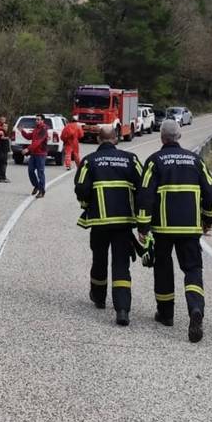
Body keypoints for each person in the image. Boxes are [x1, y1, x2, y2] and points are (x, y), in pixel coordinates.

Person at [139, 119, 212, 343]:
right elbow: (211, 192)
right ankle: (195, 308)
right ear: (179, 137)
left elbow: (145, 195)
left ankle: (166, 315)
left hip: (163, 228)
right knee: (192, 269)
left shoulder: (154, 161)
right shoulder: (196, 160)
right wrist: (208, 219)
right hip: (190, 228)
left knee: (163, 269)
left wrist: (143, 226)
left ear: (162, 137)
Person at [74, 124, 145, 326]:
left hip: (99, 222)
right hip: (123, 223)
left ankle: (98, 297)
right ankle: (122, 309)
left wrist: (87, 205)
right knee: (121, 264)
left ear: (98, 140)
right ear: (116, 139)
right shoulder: (130, 160)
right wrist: (141, 218)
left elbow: (80, 188)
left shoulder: (89, 161)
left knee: (99, 258)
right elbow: (143, 187)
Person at [20, 113, 49, 198]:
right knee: (30, 170)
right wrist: (22, 131)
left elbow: (38, 142)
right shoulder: (36, 128)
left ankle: (41, 191)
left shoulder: (43, 129)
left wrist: (28, 149)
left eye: (38, 119)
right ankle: (36, 185)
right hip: (34, 153)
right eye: (36, 119)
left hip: (41, 154)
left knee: (40, 172)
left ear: (42, 120)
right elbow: (29, 137)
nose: (36, 121)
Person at [0, 116, 11, 183]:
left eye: (6, 126)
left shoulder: (4, 131)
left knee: (1, 164)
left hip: (4, 150)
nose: (6, 128)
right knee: (3, 164)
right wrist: (7, 138)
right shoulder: (1, 131)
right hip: (2, 150)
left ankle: (1, 177)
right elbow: (1, 137)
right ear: (2, 127)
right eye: (4, 126)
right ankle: (2, 177)